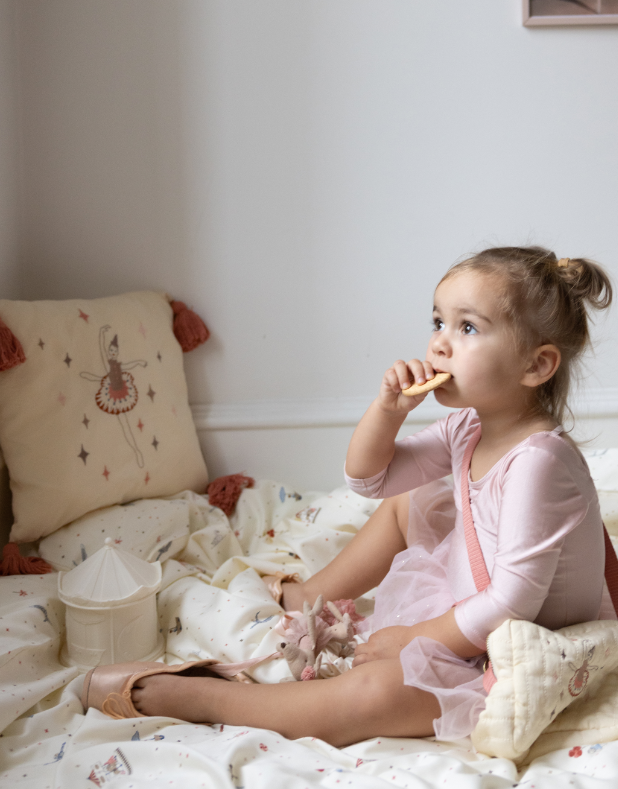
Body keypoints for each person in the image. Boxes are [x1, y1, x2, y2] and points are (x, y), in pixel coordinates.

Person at [83, 246, 614, 747]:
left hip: (517, 648)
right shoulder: (467, 429)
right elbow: (371, 479)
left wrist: (412, 639)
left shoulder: (540, 462)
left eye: (468, 327)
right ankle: (309, 595)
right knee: (410, 500)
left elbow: (512, 602)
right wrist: (387, 411)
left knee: (375, 694)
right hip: (470, 607)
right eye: (438, 322)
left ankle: (208, 699)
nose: (439, 344)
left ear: (536, 366)